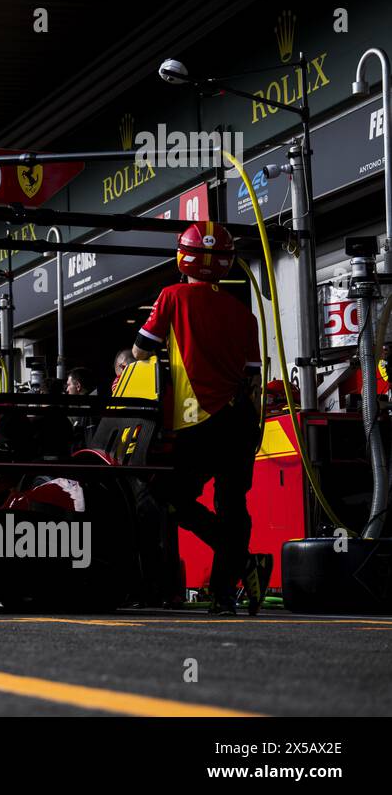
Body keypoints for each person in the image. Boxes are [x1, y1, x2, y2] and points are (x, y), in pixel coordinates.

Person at [132, 221, 268, 615]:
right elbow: (253, 376)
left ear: (182, 257)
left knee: (164, 497)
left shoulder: (172, 296)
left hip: (196, 422)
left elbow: (140, 352)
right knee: (232, 504)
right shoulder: (244, 312)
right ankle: (225, 593)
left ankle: (242, 564)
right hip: (240, 421)